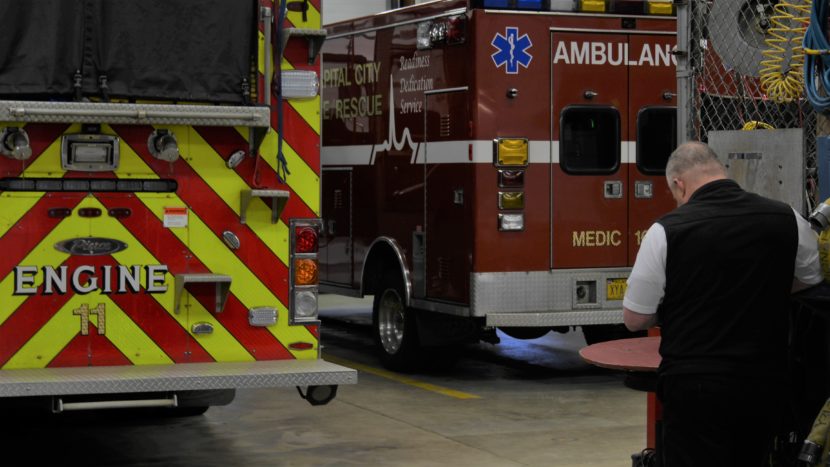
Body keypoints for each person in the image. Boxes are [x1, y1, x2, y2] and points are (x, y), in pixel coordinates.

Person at [623, 141, 822, 467]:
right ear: (720, 171)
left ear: (679, 183)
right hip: (763, 380)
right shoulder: (786, 218)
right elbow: (811, 280)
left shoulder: (665, 231)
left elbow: (635, 317)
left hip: (695, 386)